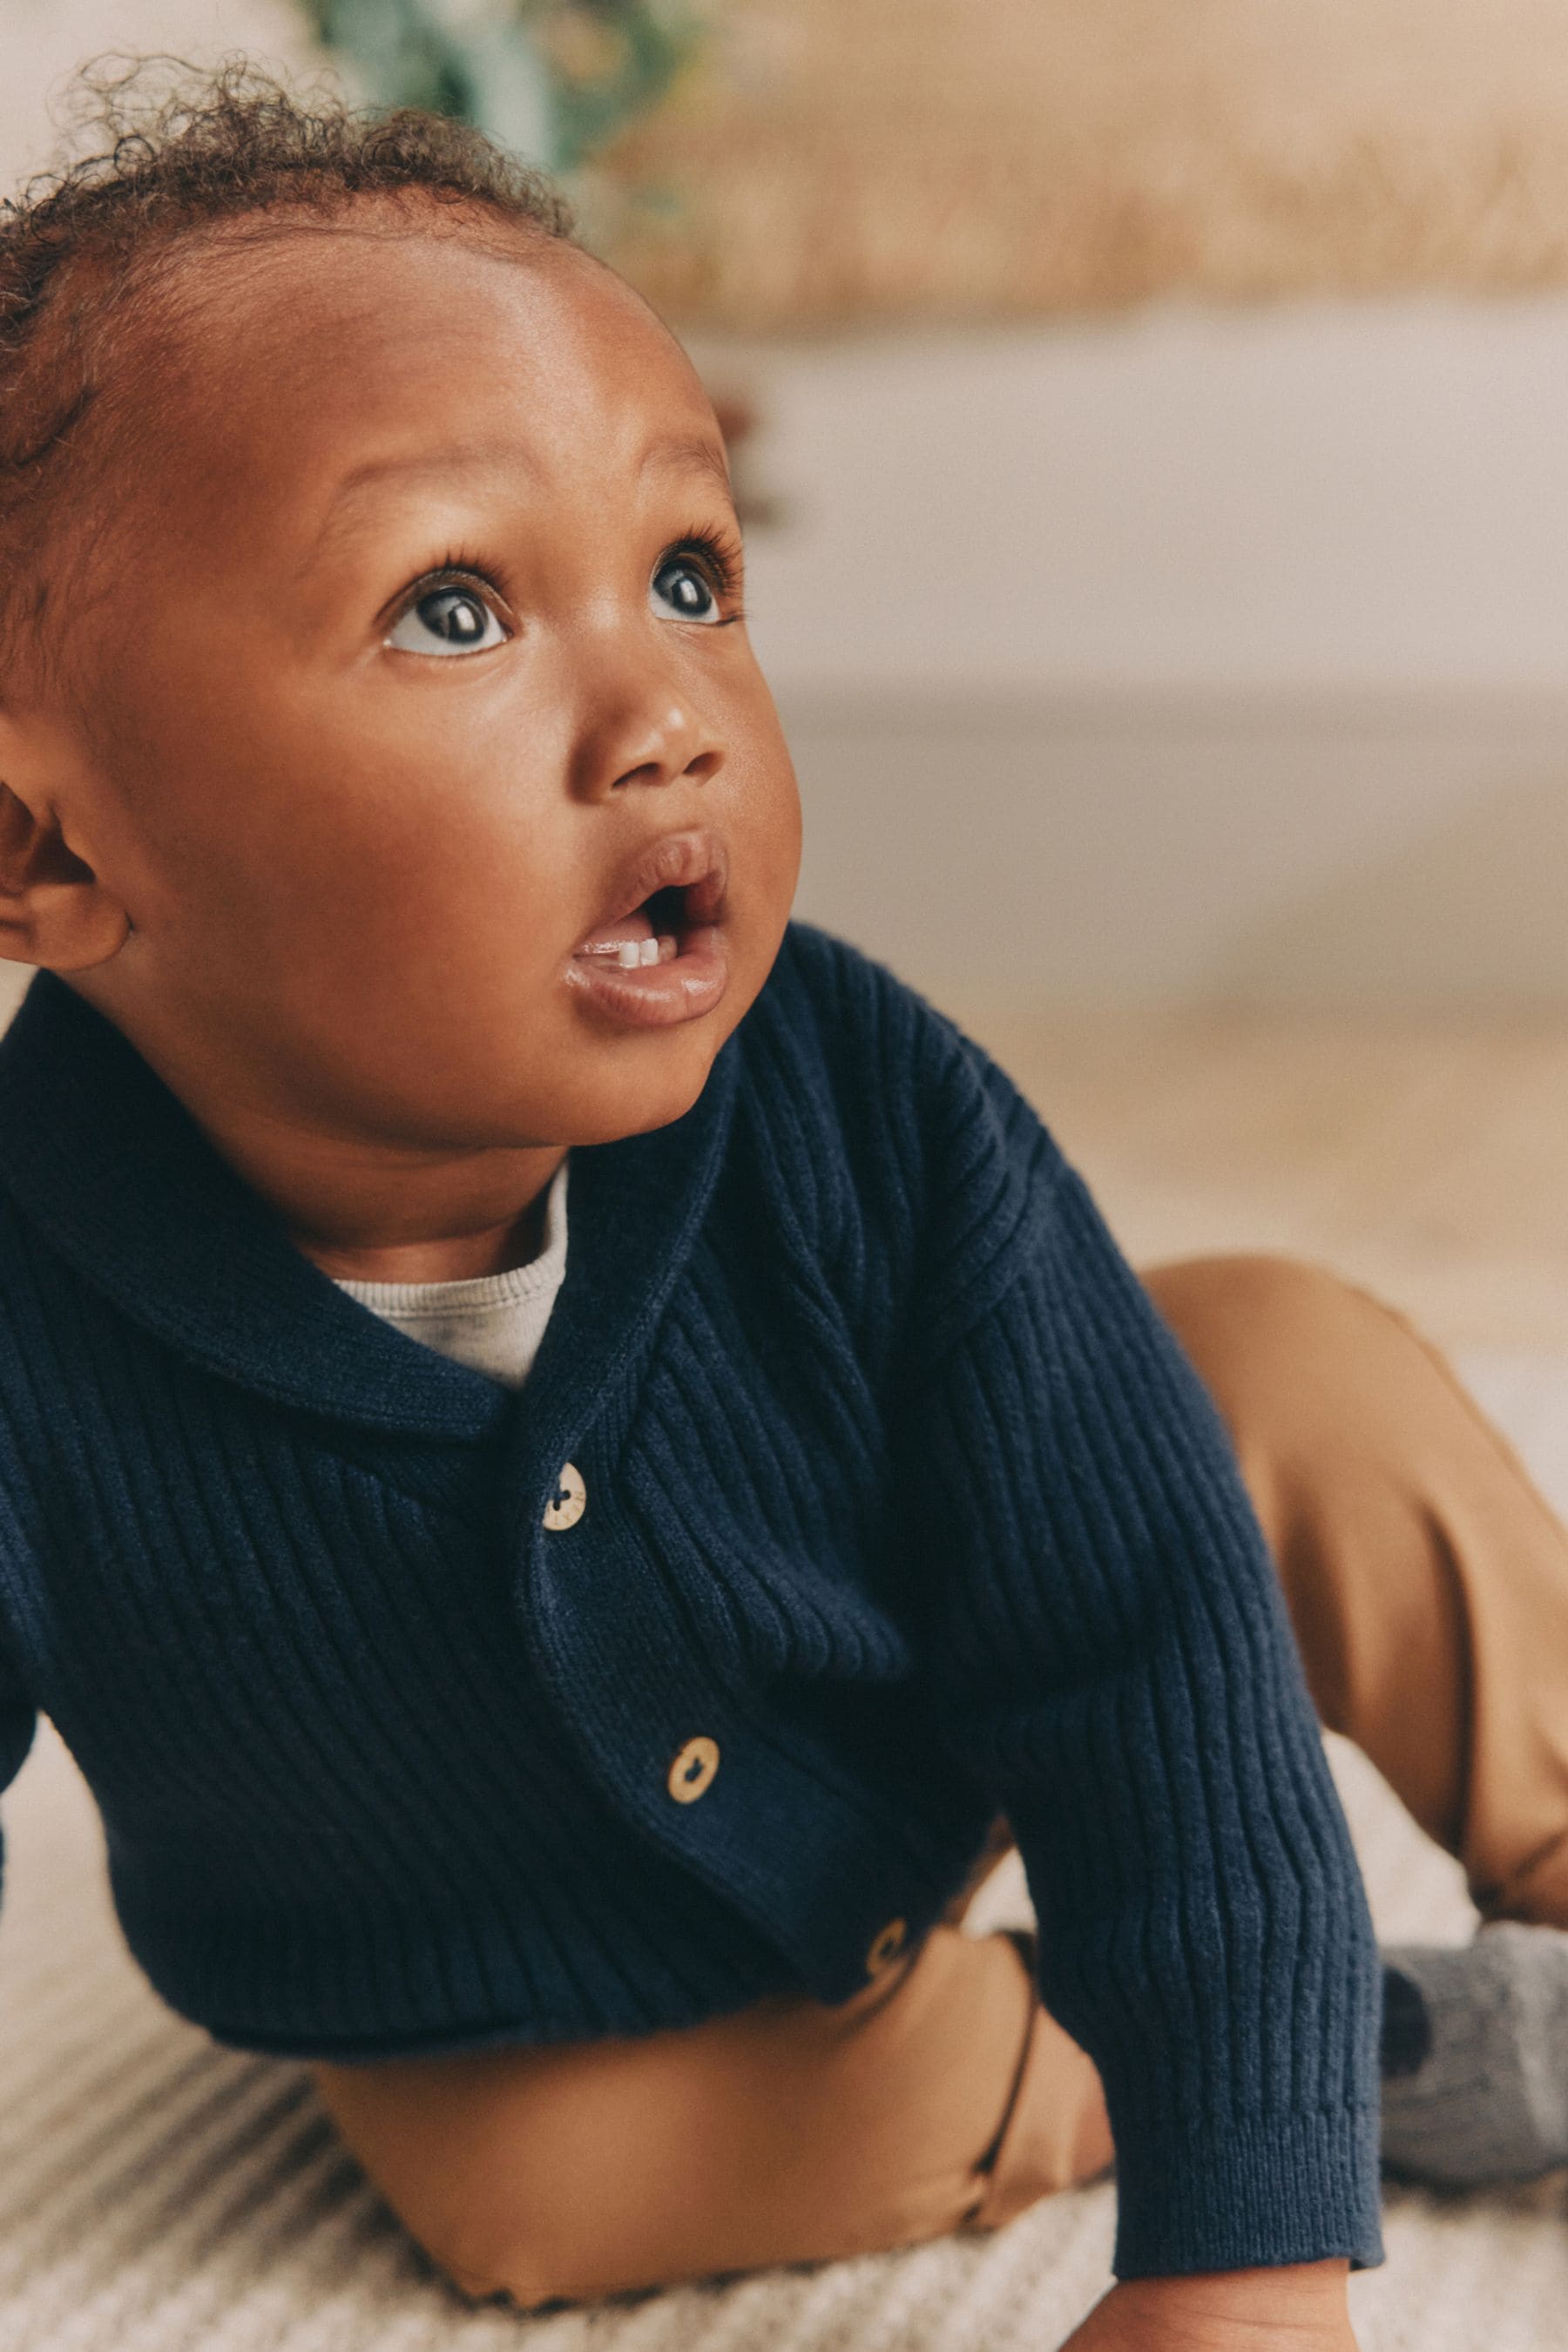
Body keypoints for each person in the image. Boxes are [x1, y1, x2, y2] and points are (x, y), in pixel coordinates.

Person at [0, 59, 1565, 2352]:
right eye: (456, 608)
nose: (664, 711)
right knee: (532, 2188)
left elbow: (1145, 1649)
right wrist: (1232, 2094)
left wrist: (1244, 2263)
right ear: (50, 854)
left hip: (952, 1680)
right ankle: (1325, 2049)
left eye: (691, 571)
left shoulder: (864, 1100)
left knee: (1281, 1377)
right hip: (521, 1977)